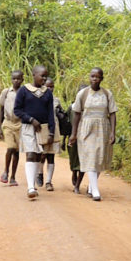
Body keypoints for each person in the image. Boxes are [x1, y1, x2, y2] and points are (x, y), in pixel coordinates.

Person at [69, 68, 117, 202]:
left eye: (97, 77)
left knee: (99, 158)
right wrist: (73, 134)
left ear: (102, 79)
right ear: (89, 78)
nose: (94, 79)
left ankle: (91, 185)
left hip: (103, 128)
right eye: (92, 76)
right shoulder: (83, 94)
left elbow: (112, 113)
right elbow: (76, 114)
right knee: (90, 156)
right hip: (86, 128)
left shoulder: (107, 94)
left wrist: (113, 132)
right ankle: (95, 191)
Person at [13, 65, 55, 199]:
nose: (44, 78)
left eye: (45, 76)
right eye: (41, 75)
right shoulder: (24, 91)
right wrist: (31, 120)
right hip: (28, 127)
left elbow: (50, 114)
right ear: (34, 75)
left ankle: (33, 183)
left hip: (42, 128)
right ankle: (30, 187)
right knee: (30, 154)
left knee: (38, 155)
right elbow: (17, 110)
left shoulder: (47, 93)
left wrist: (51, 132)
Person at [0, 70, 24, 186]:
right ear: (11, 79)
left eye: (18, 79)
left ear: (22, 80)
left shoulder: (24, 93)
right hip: (8, 123)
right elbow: (1, 111)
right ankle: (5, 171)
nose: (16, 81)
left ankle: (13, 177)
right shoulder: (6, 92)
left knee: (16, 151)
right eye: (14, 78)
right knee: (11, 147)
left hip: (20, 124)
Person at [40, 77, 63, 191]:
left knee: (51, 156)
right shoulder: (38, 98)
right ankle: (39, 173)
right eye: (47, 86)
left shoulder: (56, 100)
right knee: (41, 155)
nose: (50, 88)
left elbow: (61, 114)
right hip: (43, 129)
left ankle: (49, 181)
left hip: (55, 130)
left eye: (52, 86)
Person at [65, 83, 88, 193]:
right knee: (73, 158)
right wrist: (66, 138)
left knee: (84, 161)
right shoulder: (72, 107)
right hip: (74, 136)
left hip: (86, 137)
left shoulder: (89, 107)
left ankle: (78, 184)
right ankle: (74, 172)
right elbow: (68, 124)